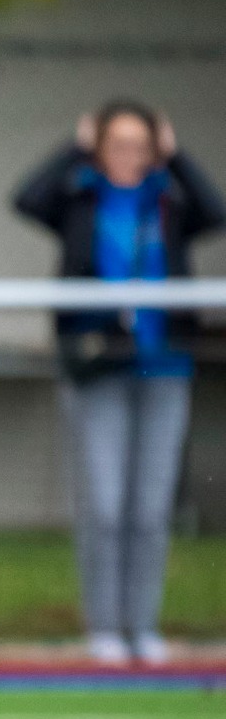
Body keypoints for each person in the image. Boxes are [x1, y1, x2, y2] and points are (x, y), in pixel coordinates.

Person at [13, 101, 225, 666]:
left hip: (165, 365)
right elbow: (27, 199)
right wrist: (74, 149)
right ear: (99, 148)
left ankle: (142, 626)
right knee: (105, 506)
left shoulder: (169, 200)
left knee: (150, 510)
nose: (130, 155)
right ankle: (105, 628)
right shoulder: (80, 198)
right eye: (117, 144)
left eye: (141, 145)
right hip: (99, 367)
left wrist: (177, 159)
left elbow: (216, 211)